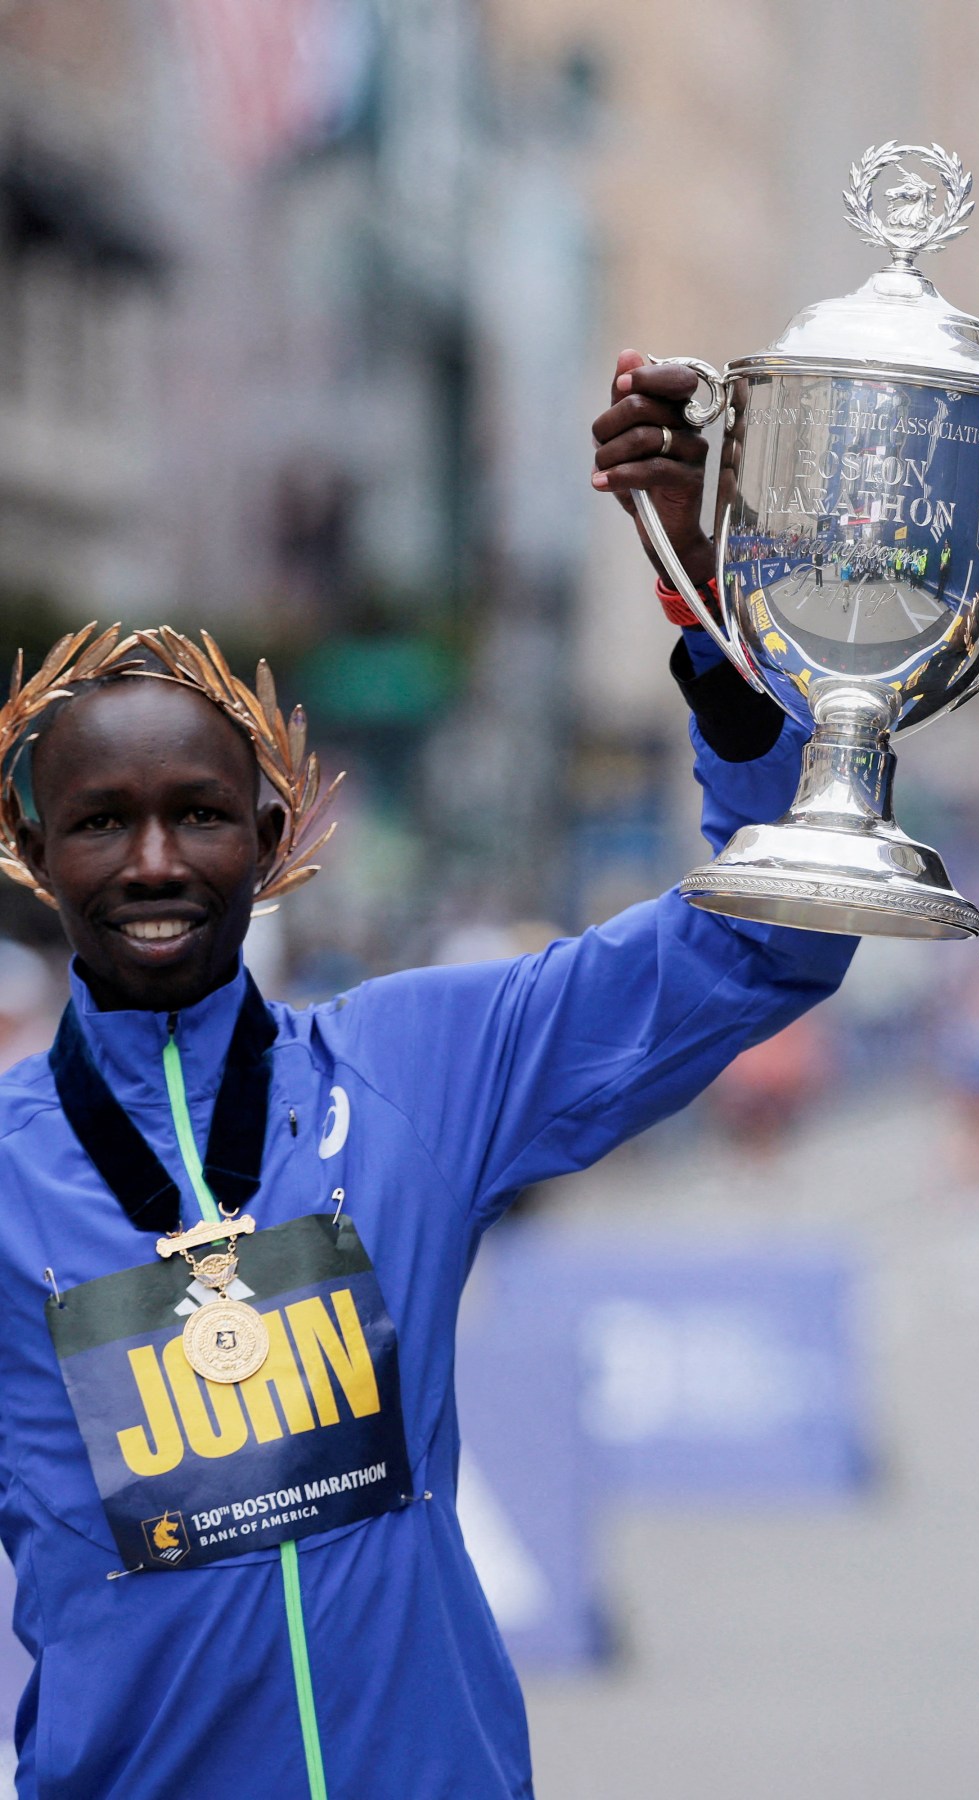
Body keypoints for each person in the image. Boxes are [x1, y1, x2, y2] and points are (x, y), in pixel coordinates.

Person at [0, 360, 852, 1800]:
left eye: (199, 815)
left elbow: (772, 941)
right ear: (34, 852)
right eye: (100, 824)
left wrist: (719, 628)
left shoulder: (417, 1068)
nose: (152, 864)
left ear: (273, 833)